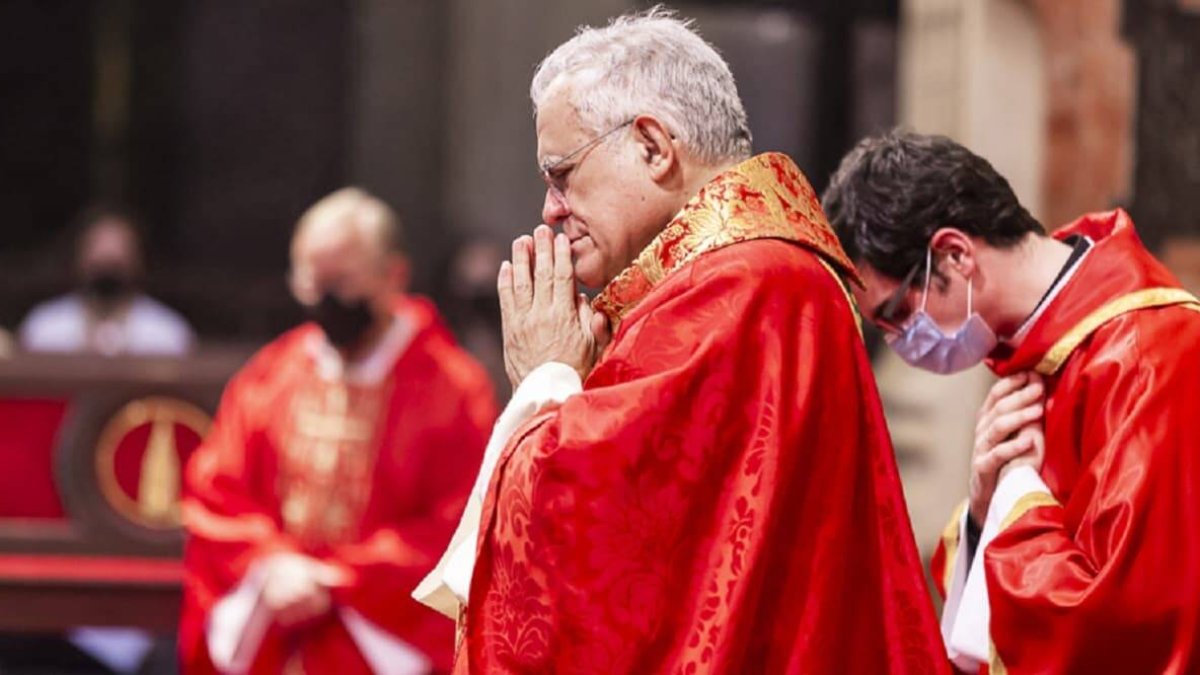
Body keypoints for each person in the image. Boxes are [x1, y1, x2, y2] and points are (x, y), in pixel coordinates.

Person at [415, 9, 946, 673]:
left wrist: (545, 380)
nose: (550, 208)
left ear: (653, 147)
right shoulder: (733, 280)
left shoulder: (742, 288)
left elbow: (583, 537)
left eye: (562, 173)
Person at [823, 130, 1200, 673]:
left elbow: (1126, 621)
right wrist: (982, 512)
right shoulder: (1037, 350)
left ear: (954, 255)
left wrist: (1018, 497)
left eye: (899, 313)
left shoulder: (1148, 356)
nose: (902, 342)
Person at [180, 188, 497, 673]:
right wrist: (270, 563)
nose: (327, 302)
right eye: (312, 283)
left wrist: (339, 579)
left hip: (384, 632)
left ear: (394, 275)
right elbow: (217, 490)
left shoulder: (453, 389)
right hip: (277, 624)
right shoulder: (272, 375)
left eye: (343, 283)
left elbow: (462, 523)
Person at [19, 207, 195, 356]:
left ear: (138, 263)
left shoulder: (167, 333)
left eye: (116, 263)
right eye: (99, 262)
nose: (107, 271)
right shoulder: (44, 328)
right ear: (78, 259)